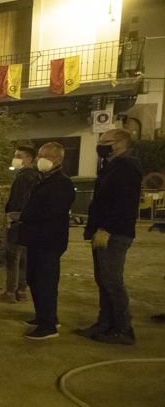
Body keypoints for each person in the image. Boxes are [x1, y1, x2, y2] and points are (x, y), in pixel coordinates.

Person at [81, 128, 143, 344]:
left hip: (114, 234)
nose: (100, 144)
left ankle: (123, 328)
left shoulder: (125, 167)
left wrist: (107, 228)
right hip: (103, 232)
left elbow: (123, 203)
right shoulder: (112, 166)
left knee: (112, 281)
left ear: (118, 143)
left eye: (104, 141)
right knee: (103, 280)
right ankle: (105, 323)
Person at [17, 142, 76, 340]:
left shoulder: (61, 183)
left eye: (48, 156)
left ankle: (48, 325)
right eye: (41, 155)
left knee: (46, 282)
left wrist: (24, 215)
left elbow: (50, 210)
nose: (42, 159)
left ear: (58, 159)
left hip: (48, 241)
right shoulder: (43, 179)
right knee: (35, 279)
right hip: (37, 239)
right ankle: (44, 316)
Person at [0, 146, 39, 304]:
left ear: (29, 159)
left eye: (19, 156)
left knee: (12, 258)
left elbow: (17, 202)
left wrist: (11, 218)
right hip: (31, 223)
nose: (16, 158)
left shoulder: (22, 177)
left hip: (18, 222)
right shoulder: (37, 176)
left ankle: (10, 292)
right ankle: (22, 291)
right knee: (24, 258)